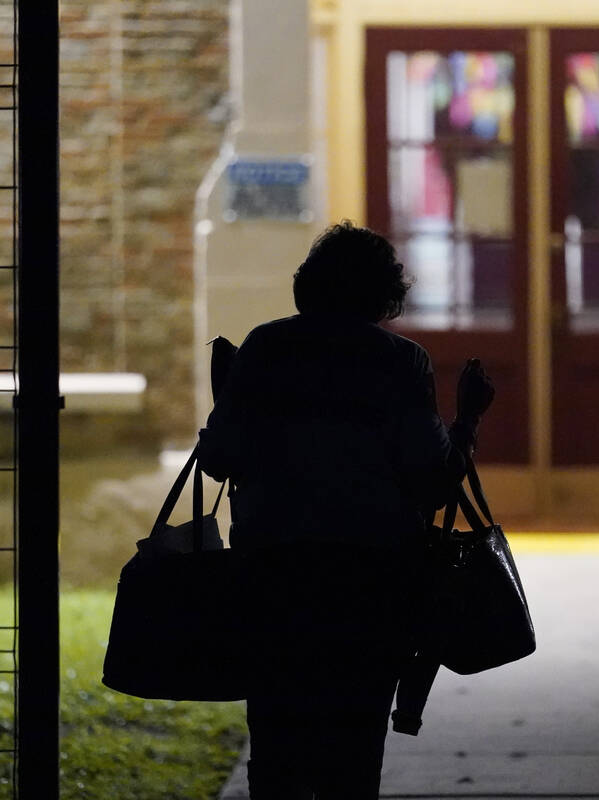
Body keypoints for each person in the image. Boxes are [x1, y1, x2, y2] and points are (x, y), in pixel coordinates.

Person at [198, 221, 495, 799]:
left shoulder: (266, 347)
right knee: (354, 754)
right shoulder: (401, 361)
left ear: (308, 285)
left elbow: (218, 458)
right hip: (372, 579)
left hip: (274, 571)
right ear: (384, 292)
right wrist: (469, 420)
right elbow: (433, 481)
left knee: (277, 744)